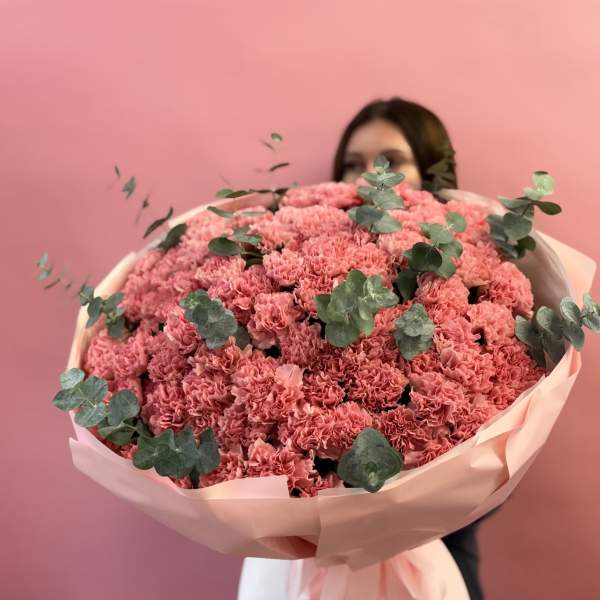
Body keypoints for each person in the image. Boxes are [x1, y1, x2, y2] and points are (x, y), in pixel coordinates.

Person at [332, 97, 487, 600]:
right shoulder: (309, 272)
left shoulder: (475, 274)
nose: (368, 176)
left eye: (391, 161)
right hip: (309, 567)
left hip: (436, 563)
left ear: (430, 172)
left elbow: (495, 470)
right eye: (352, 164)